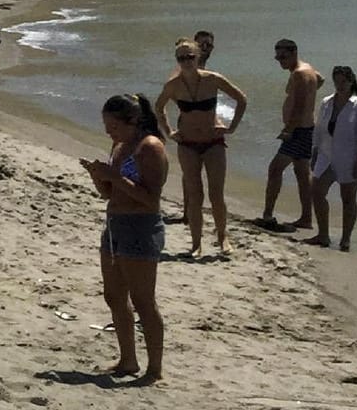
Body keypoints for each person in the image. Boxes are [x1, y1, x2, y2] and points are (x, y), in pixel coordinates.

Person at [80, 93, 168, 385]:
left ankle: (154, 369)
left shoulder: (150, 148)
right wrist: (98, 175)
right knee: (114, 296)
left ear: (132, 121)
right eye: (106, 126)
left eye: (113, 126)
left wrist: (115, 178)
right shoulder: (120, 146)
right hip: (115, 224)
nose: (109, 132)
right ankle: (128, 359)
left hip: (140, 227)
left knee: (143, 300)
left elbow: (150, 199)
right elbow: (108, 193)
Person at [155, 39, 248, 256]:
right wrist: (169, 132)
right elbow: (159, 107)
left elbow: (241, 99)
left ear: (198, 57)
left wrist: (231, 128)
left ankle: (223, 237)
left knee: (216, 194)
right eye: (181, 58)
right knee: (195, 194)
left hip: (213, 142)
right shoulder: (174, 84)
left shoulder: (213, 79)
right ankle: (196, 244)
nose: (186, 61)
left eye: (190, 57)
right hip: (187, 144)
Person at [255, 39, 324, 231]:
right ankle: (307, 218)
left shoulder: (300, 74)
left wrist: (288, 130)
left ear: (294, 53)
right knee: (302, 174)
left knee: (275, 169)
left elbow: (300, 107)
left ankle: (268, 214)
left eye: (283, 57)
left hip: (299, 131)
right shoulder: (307, 69)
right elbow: (320, 79)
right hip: (306, 129)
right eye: (277, 57)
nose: (280, 61)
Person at [306, 66, 357, 252]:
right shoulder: (327, 102)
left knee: (348, 198)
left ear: (351, 82)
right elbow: (319, 130)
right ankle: (323, 235)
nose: (340, 85)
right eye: (337, 82)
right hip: (326, 155)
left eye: (344, 81)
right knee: (317, 191)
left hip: (350, 158)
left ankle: (345, 239)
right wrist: (315, 153)